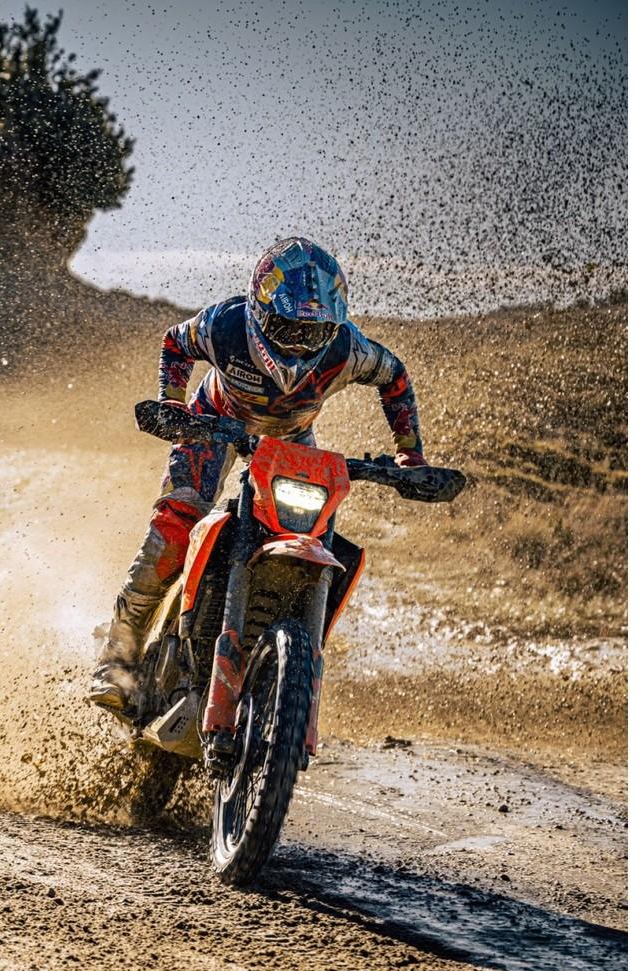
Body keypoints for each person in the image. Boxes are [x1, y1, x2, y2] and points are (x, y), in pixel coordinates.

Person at [88, 237, 427, 712]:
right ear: (259, 310)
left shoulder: (349, 349)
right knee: (174, 530)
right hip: (212, 423)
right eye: (288, 327)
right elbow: (176, 342)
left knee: (313, 535)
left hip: (291, 437)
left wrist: (410, 455)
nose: (299, 342)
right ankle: (116, 659)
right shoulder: (226, 325)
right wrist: (172, 404)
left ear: (333, 326)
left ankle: (279, 671)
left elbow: (395, 378)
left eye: (313, 332)